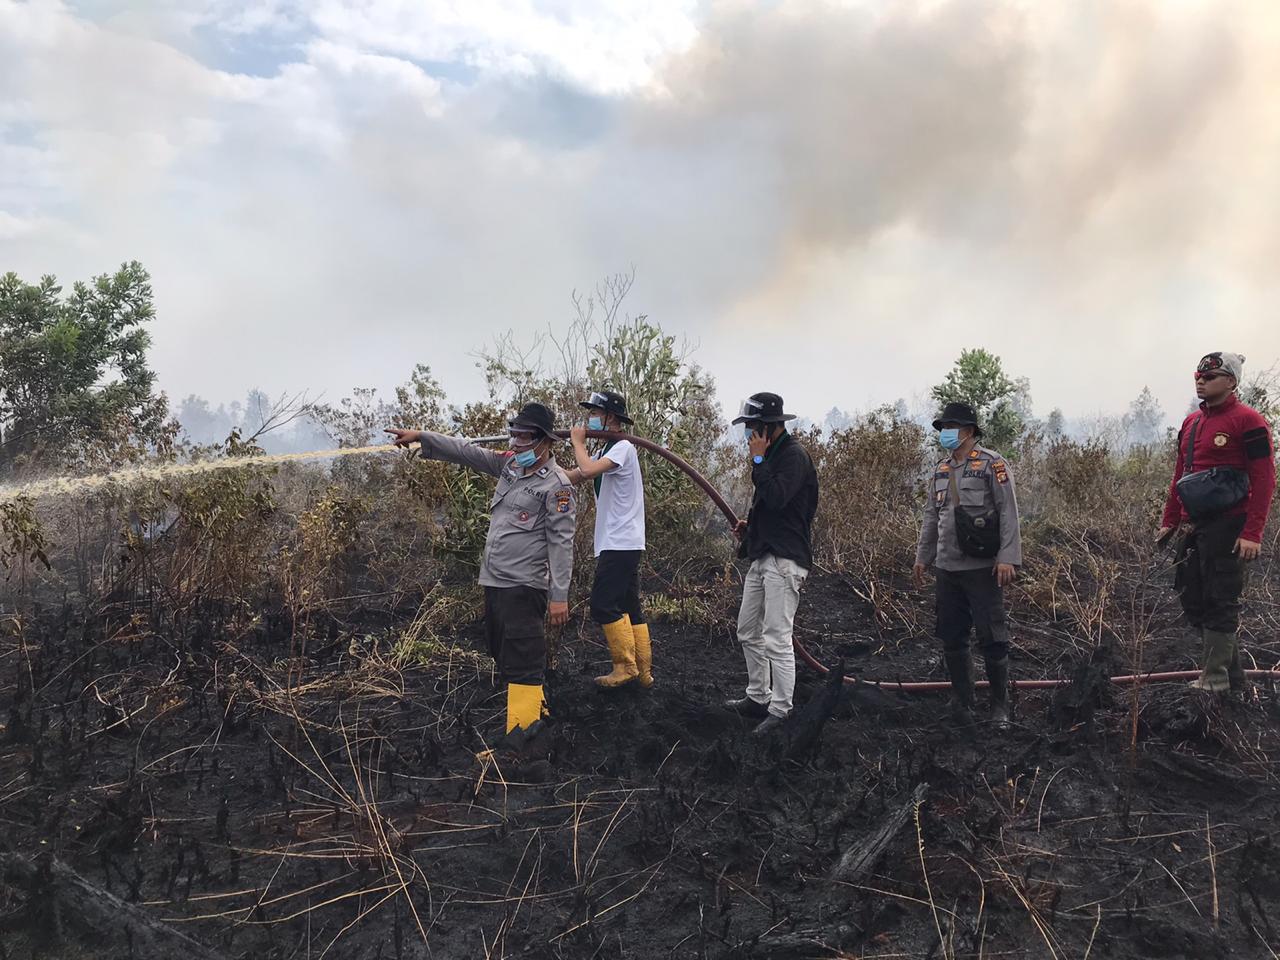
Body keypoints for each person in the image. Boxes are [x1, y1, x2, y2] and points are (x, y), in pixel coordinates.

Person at [386, 403, 575, 733]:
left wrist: (559, 597)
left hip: (524, 586)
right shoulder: (510, 467)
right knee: (505, 655)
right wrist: (421, 436)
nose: (516, 443)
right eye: (513, 434)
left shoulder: (557, 487)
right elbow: (466, 452)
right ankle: (536, 724)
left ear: (544, 442)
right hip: (496, 582)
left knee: (524, 663)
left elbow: (561, 545)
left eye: (524, 437)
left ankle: (522, 746)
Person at [1159, 352, 1275, 693]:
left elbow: (1265, 478)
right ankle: (1232, 674)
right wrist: (1171, 519)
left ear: (1231, 382)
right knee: (1192, 595)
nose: (1201, 380)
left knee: (1221, 599)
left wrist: (1253, 532)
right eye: (1198, 375)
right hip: (1195, 525)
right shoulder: (1192, 423)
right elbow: (1181, 475)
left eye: (1210, 376)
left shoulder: (1249, 421)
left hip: (1230, 524)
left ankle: (1216, 679)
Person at [913, 401, 1022, 728]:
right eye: (943, 428)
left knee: (992, 636)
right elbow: (932, 516)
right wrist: (923, 556)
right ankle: (963, 701)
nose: (945, 434)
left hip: (981, 568)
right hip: (948, 568)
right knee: (952, 634)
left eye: (951, 428)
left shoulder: (992, 465)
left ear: (969, 431)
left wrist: (1007, 557)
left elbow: (1008, 512)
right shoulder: (940, 471)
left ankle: (1000, 707)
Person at [725, 393, 819, 736]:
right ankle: (758, 696)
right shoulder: (774, 456)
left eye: (752, 427)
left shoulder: (792, 457)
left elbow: (779, 497)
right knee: (748, 629)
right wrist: (751, 528)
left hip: (785, 560)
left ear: (767, 427)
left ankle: (781, 710)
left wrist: (759, 462)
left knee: (777, 637)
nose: (749, 435)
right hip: (764, 553)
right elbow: (773, 508)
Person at [565, 390, 652, 688]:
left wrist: (578, 442)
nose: (591, 417)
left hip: (621, 541)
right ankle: (643, 673)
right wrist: (543, 471)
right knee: (629, 605)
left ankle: (625, 668)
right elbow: (577, 473)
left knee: (603, 604)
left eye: (595, 412)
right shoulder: (607, 450)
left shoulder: (623, 447)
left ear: (611, 418)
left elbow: (587, 470)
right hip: (620, 541)